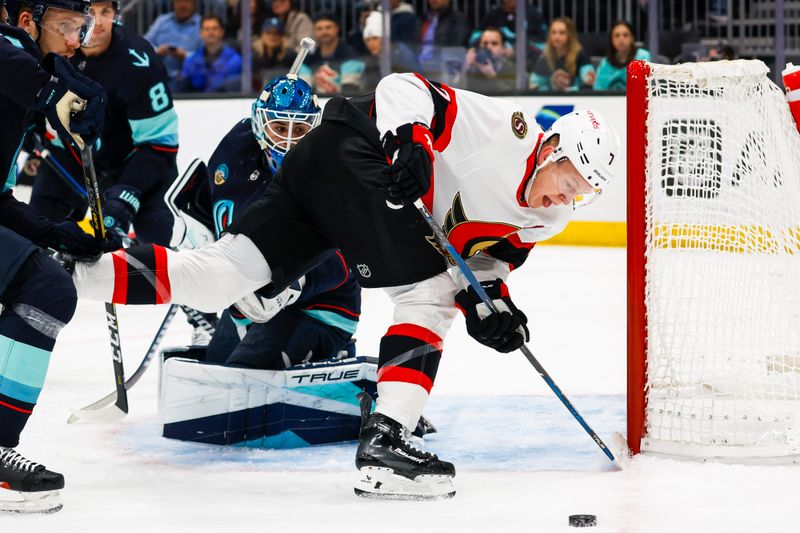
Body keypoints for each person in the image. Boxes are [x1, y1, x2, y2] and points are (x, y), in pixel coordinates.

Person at [72, 71, 620, 500]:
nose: (565, 201)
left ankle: (68, 271)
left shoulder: (547, 220)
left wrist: (494, 307)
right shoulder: (504, 131)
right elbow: (401, 87)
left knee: (222, 276)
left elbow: (483, 265)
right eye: (568, 183)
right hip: (350, 151)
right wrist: (411, 144)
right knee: (426, 295)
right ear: (551, 151)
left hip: (322, 177)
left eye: (582, 196)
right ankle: (386, 442)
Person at [0, 0, 110, 513]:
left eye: (81, 28)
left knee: (42, 278)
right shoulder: (12, 60)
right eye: (67, 27)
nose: (76, 40)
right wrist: (59, 90)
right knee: (45, 285)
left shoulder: (21, 74)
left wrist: (61, 234)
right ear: (27, 23)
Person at [171, 75, 360, 369]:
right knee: (215, 373)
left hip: (320, 306)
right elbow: (227, 220)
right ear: (260, 124)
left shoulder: (334, 170)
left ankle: (338, 347)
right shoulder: (237, 153)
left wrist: (297, 281)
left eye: (299, 128)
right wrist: (199, 240)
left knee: (242, 374)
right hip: (252, 299)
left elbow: (351, 253)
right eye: (279, 127)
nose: (288, 139)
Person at [29, 0, 179, 249]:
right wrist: (30, 127)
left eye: (105, 12)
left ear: (116, 14)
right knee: (35, 239)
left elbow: (160, 144)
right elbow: (29, 89)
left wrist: (128, 191)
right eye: (89, 13)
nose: (97, 22)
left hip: (132, 164)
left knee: (155, 249)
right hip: (71, 158)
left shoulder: (139, 61)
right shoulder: (53, 47)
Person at [143, 0, 201, 91]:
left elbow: (206, 52)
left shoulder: (203, 25)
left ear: (194, 4)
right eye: (178, 2)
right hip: (158, 71)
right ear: (173, 4)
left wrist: (186, 56)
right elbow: (144, 44)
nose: (182, 5)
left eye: (186, 2)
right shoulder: (162, 21)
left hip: (186, 75)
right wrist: (157, 50)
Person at [301, 12, 363, 95]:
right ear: (314, 32)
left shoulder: (349, 54)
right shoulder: (308, 59)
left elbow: (349, 90)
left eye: (328, 27)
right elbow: (304, 91)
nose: (324, 32)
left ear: (337, 28)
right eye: (319, 29)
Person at [530, 16, 595, 91]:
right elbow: (534, 86)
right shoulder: (545, 57)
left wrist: (568, 91)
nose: (557, 37)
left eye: (562, 33)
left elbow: (590, 84)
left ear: (570, 35)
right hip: (550, 100)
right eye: (553, 33)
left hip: (576, 99)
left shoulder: (580, 55)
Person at [180, 14, 242, 93]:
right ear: (201, 33)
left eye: (214, 28)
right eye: (207, 29)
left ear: (222, 32)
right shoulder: (191, 61)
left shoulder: (235, 60)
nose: (211, 32)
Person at [360, 10, 419, 91]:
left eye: (375, 38)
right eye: (367, 40)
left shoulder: (402, 53)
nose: (371, 43)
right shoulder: (371, 62)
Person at [593, 21, 649, 91]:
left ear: (632, 38)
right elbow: (597, 90)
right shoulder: (605, 63)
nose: (621, 39)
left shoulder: (644, 57)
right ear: (611, 40)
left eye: (625, 35)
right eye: (617, 35)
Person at [464, 26, 516, 92]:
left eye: (494, 43)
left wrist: (492, 76)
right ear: (479, 46)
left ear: (503, 48)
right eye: (485, 43)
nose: (489, 47)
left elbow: (514, 95)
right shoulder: (473, 66)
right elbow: (457, 92)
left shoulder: (511, 68)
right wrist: (466, 66)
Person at [251, 16, 295, 90]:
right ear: (262, 35)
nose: (272, 36)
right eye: (268, 33)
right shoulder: (255, 57)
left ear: (282, 36)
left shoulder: (290, 55)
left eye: (276, 33)